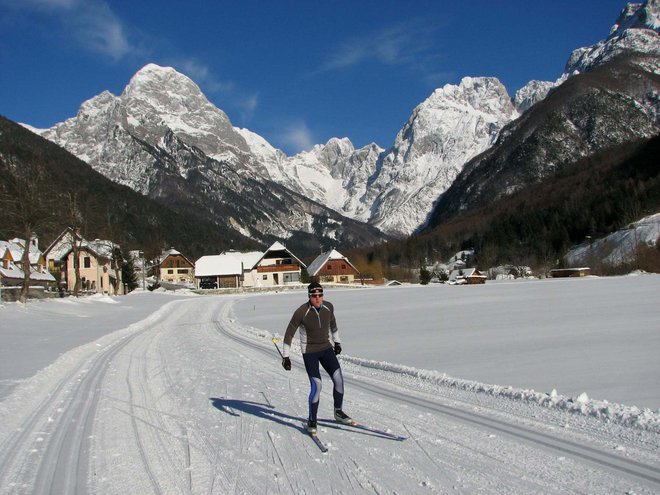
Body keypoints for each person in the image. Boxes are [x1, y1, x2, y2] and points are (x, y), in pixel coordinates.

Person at [281, 282, 352, 433]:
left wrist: (337, 342)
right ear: (309, 296)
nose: (318, 298)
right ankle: (312, 420)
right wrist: (286, 357)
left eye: (320, 295)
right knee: (317, 385)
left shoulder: (328, 307)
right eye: (314, 296)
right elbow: (289, 334)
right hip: (310, 351)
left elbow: (333, 324)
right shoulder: (301, 312)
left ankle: (338, 411)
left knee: (338, 378)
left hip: (326, 348)